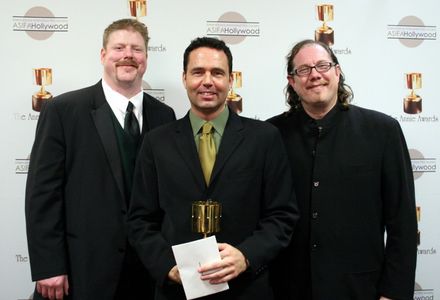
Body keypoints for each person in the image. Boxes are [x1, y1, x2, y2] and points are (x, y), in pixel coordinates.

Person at [127, 37, 299, 300]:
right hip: (178, 290)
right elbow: (140, 219)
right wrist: (166, 266)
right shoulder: (156, 142)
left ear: (231, 80)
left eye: (217, 73)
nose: (207, 81)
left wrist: (246, 255)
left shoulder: (264, 138)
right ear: (184, 78)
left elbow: (282, 214)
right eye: (198, 72)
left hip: (246, 288)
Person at [25, 18, 175, 300]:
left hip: (147, 272)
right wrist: (49, 266)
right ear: (103, 55)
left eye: (137, 49)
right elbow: (42, 194)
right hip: (83, 270)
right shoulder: (63, 110)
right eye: (119, 47)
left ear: (146, 58)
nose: (128, 55)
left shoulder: (164, 116)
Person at [267, 39, 417, 300]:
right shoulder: (271, 135)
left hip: (361, 290)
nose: (315, 74)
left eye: (323, 65)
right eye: (303, 70)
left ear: (337, 72)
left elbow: (402, 222)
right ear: (292, 82)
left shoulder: (382, 131)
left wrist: (393, 293)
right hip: (287, 289)